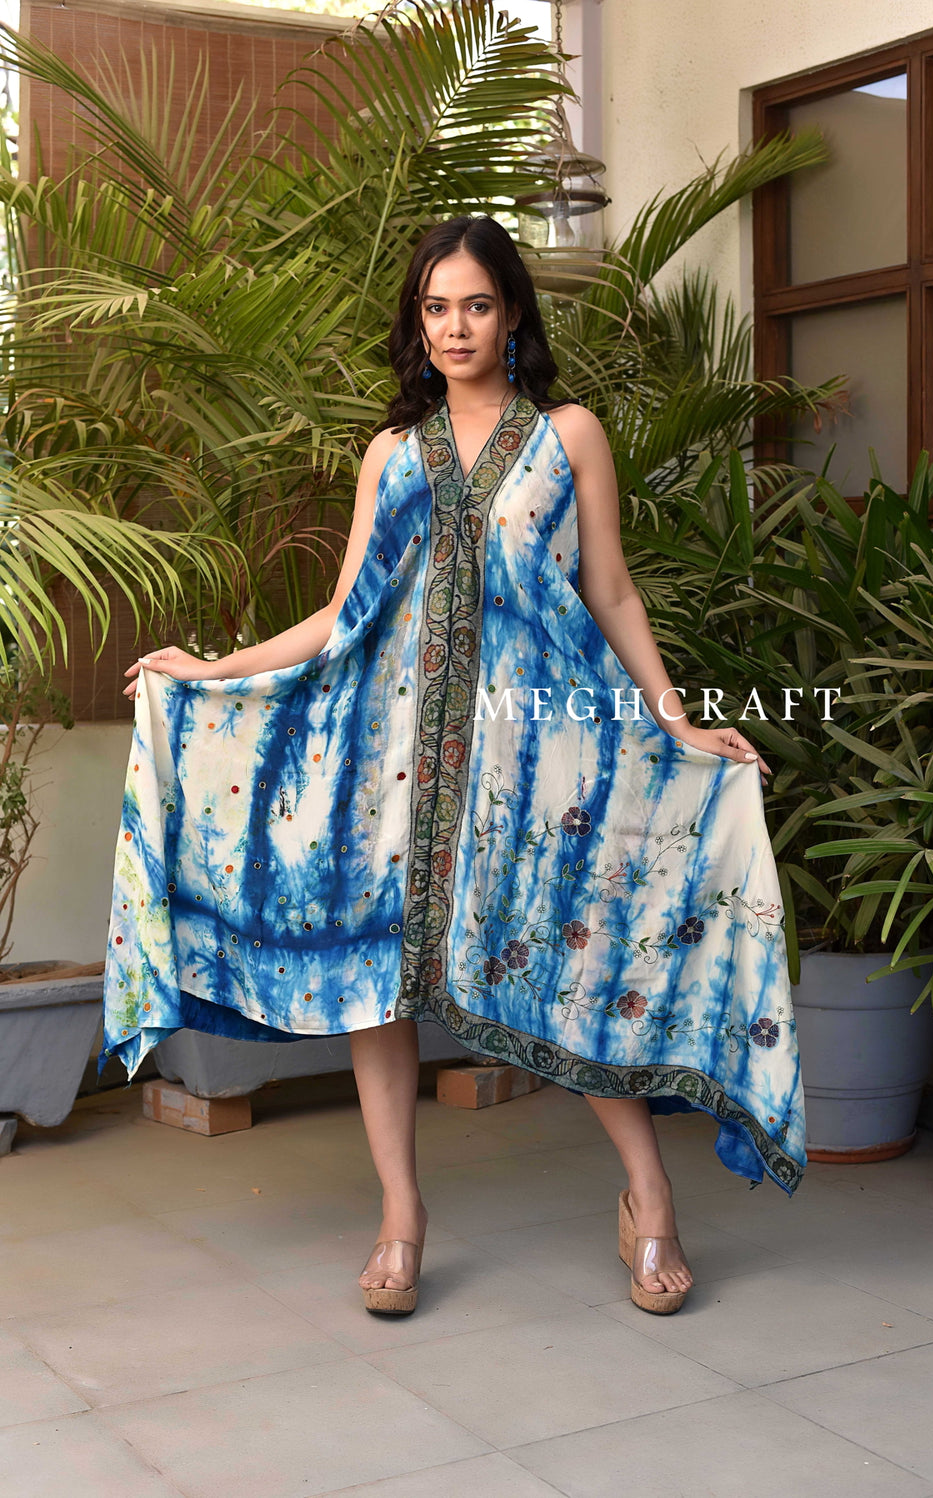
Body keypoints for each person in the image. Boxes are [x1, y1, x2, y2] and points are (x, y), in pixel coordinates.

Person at [101, 215, 805, 1320]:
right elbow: (345, 611)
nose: (456, 326)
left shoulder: (568, 434)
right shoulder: (392, 453)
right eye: (436, 308)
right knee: (376, 978)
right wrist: (213, 666)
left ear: (512, 312)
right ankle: (400, 1216)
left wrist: (677, 726)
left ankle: (649, 1195)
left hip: (536, 767)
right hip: (388, 763)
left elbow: (611, 591)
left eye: (476, 304)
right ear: (417, 323)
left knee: (565, 958)